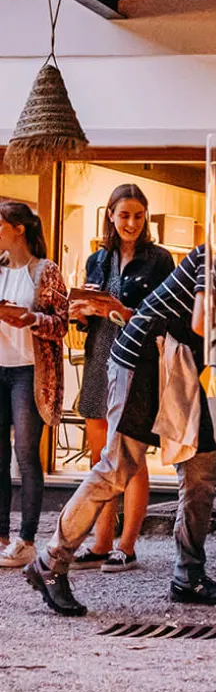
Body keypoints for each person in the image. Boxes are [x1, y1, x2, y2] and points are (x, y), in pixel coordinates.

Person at [24, 203, 216, 616]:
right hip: (144, 357)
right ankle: (50, 562)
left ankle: (188, 575)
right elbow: (203, 324)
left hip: (179, 368)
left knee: (202, 469)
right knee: (118, 467)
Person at [69, 184, 175, 573]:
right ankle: (100, 542)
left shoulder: (159, 260)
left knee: (130, 455)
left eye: (138, 216)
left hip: (135, 363)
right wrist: (82, 313)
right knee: (100, 455)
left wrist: (120, 310)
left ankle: (127, 545)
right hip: (99, 356)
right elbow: (88, 319)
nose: (131, 223)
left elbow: (165, 317)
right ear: (110, 215)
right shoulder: (97, 259)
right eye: (125, 215)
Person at [0, 202, 67, 568]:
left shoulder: (45, 270)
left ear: (18, 229)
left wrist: (31, 320)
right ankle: (1, 536)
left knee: (26, 455)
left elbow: (62, 323)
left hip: (29, 371)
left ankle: (26, 539)